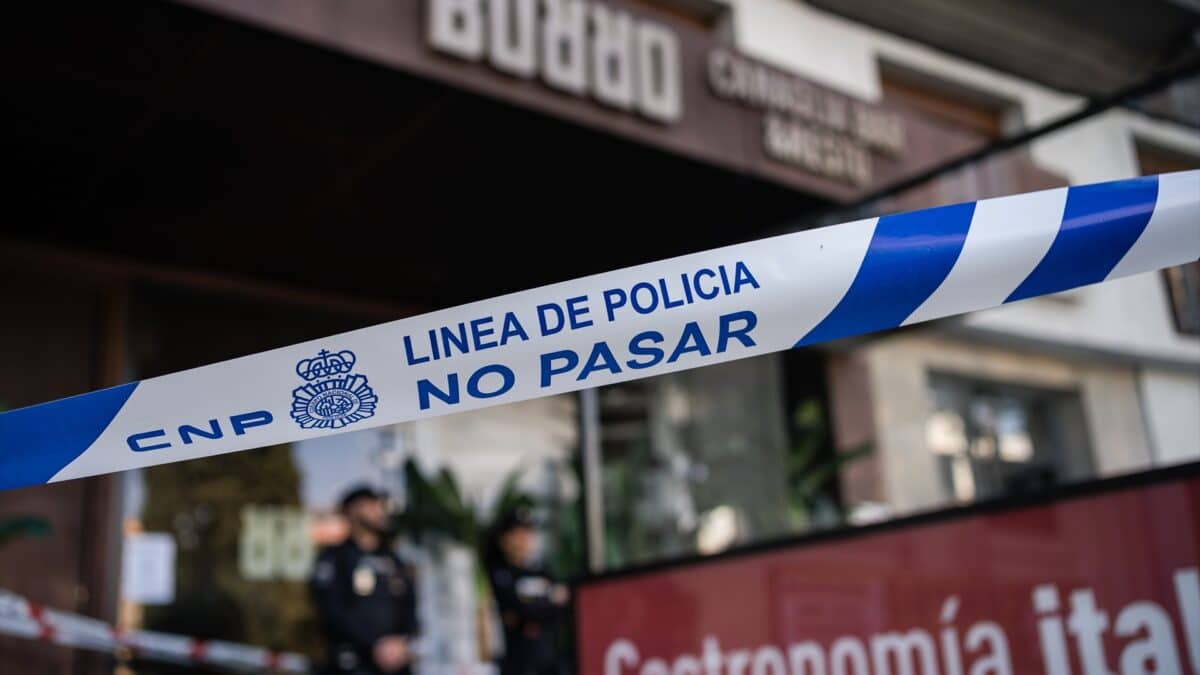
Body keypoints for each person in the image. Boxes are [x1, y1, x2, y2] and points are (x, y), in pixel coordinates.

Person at [311, 485, 419, 675]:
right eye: (371, 505)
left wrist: (402, 642)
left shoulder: (394, 559)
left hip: (396, 665)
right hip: (353, 664)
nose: (379, 510)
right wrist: (375, 645)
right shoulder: (335, 558)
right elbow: (333, 611)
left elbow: (410, 602)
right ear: (353, 510)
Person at [485, 507, 570, 675]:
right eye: (518, 533)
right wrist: (547, 600)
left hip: (549, 660)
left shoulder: (542, 569)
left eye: (529, 533)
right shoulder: (500, 573)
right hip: (517, 663)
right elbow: (518, 608)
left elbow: (564, 602)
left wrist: (533, 609)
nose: (525, 539)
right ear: (504, 539)